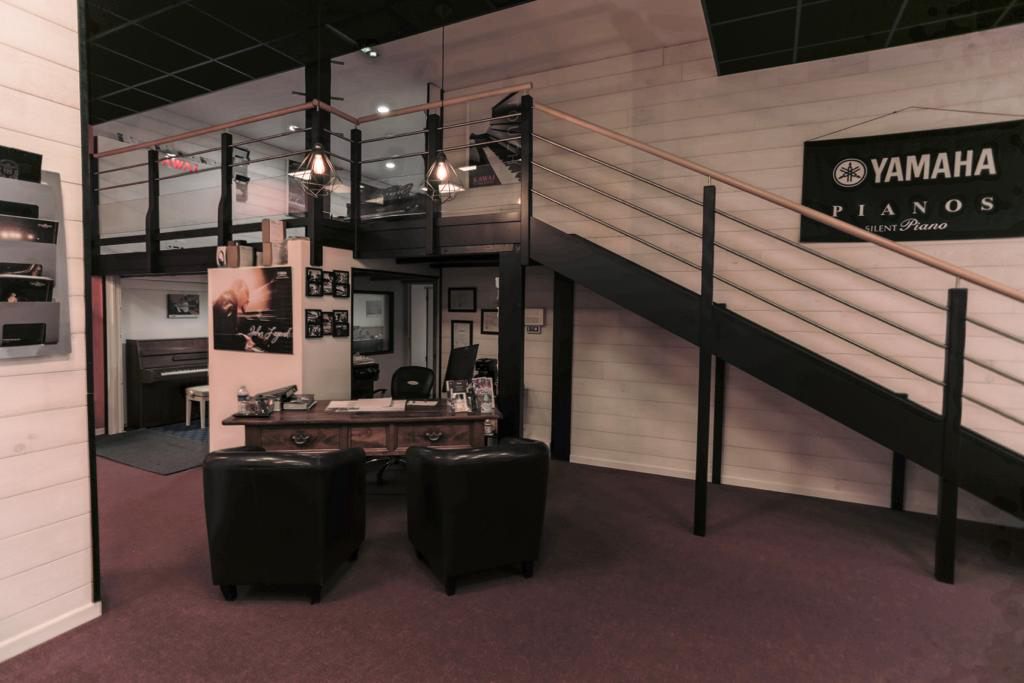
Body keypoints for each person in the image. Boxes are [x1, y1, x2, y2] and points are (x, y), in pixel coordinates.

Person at [212, 279, 250, 351]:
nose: (247, 299)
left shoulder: (226, 298)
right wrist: (243, 340)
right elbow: (226, 339)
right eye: (247, 294)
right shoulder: (229, 303)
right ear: (240, 290)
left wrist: (240, 336)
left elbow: (226, 331)